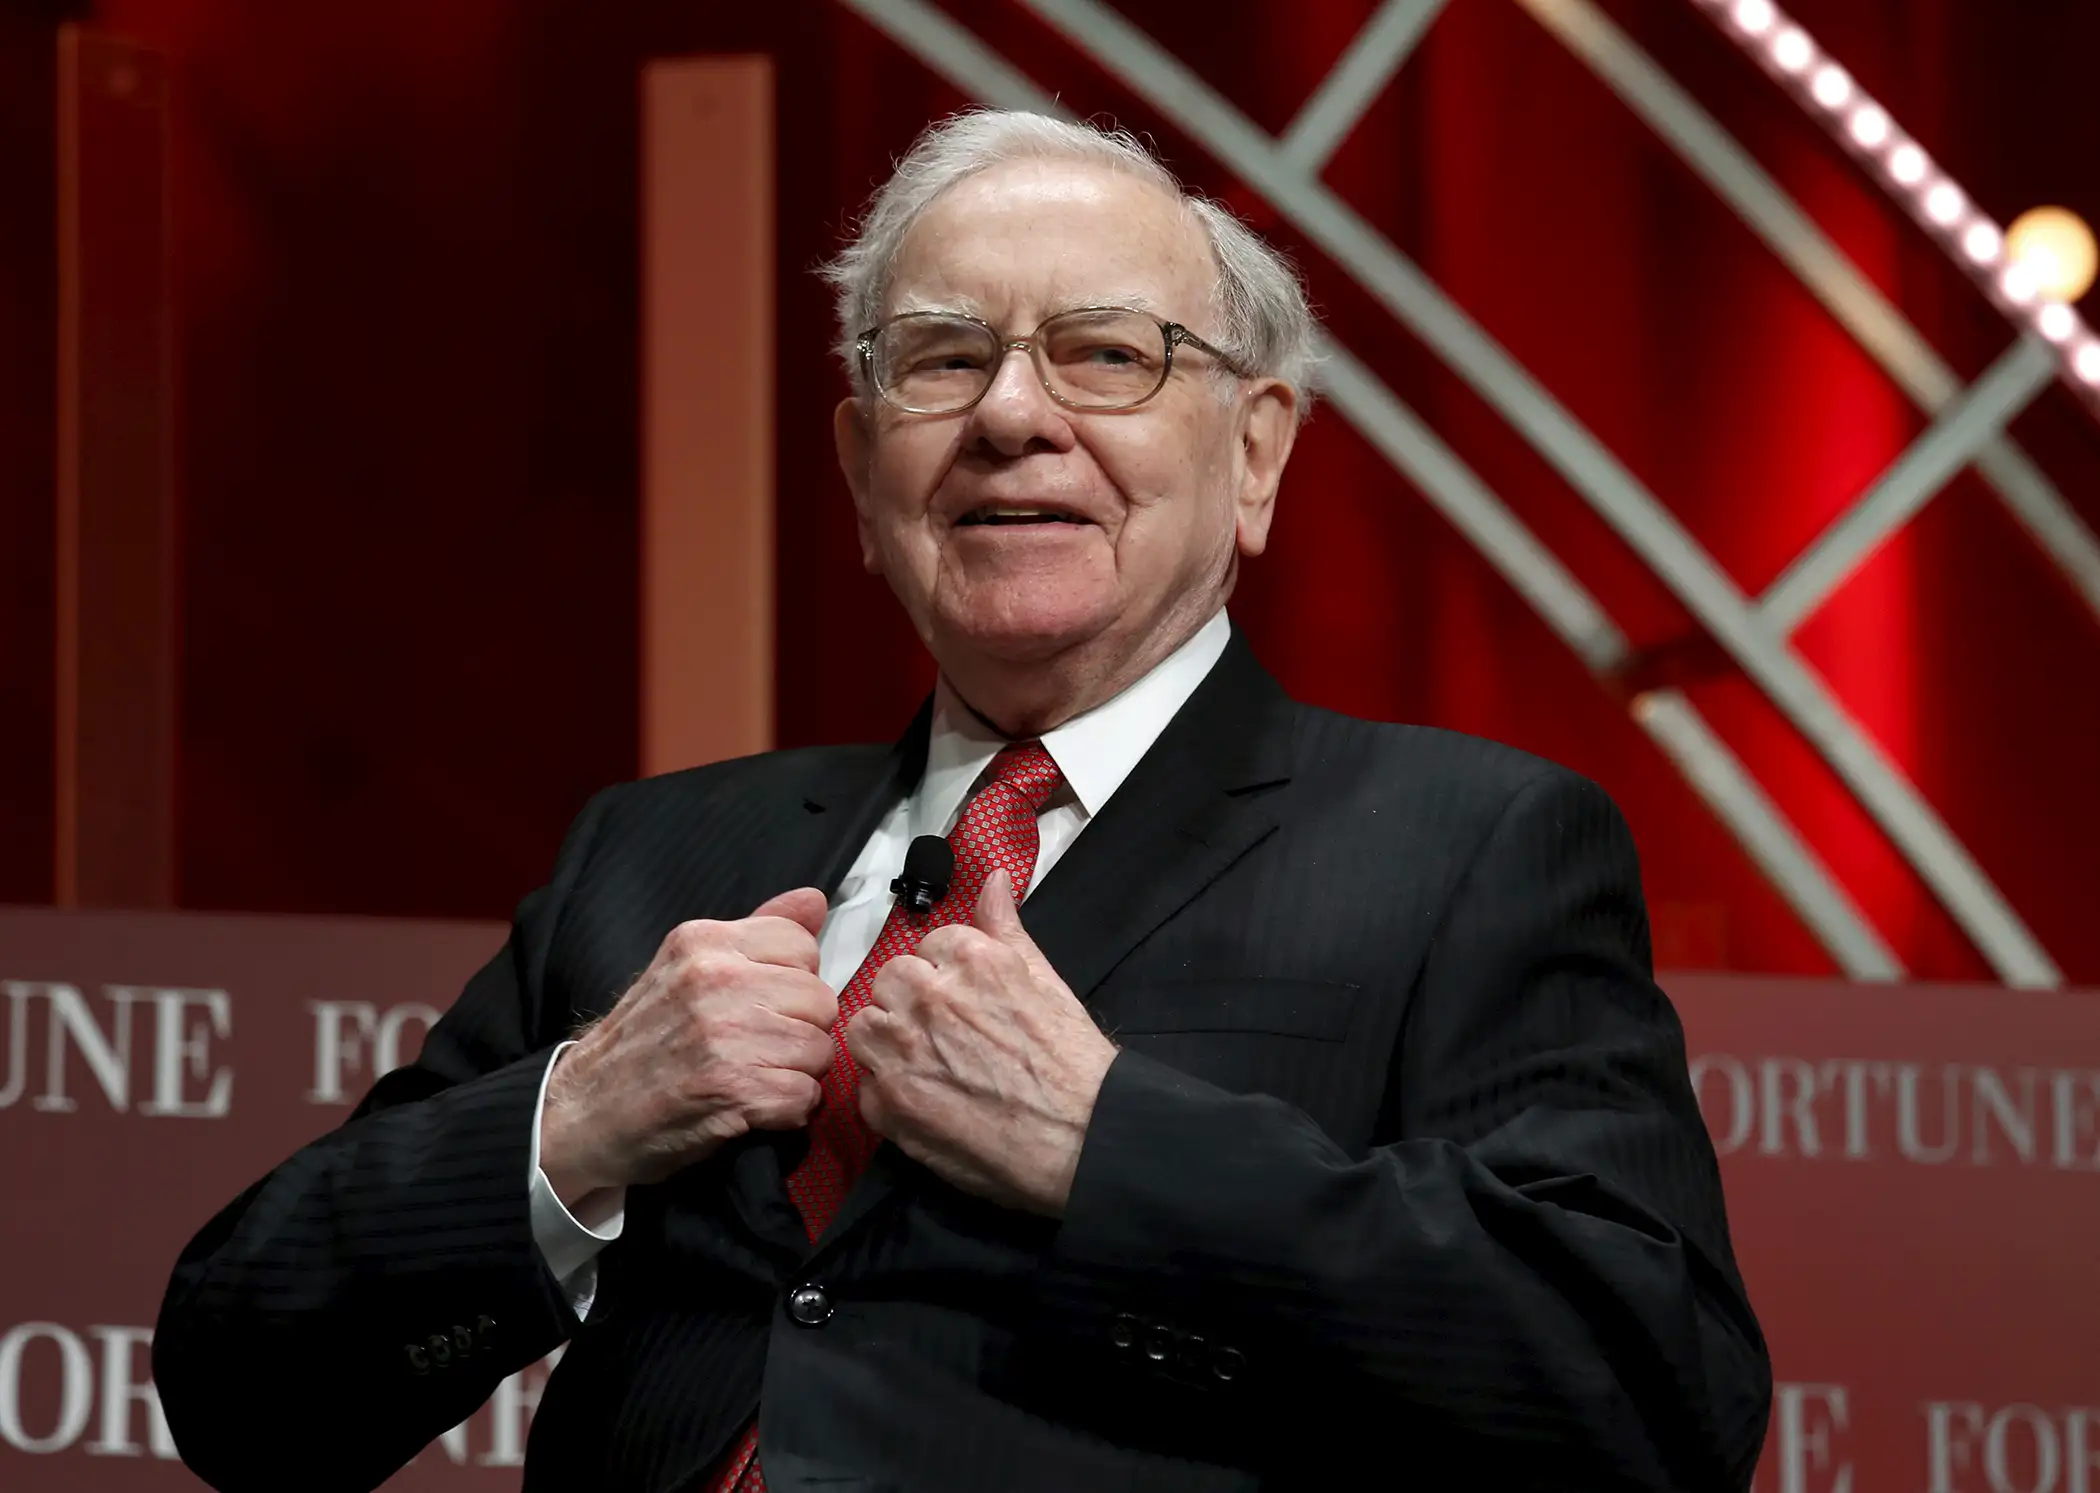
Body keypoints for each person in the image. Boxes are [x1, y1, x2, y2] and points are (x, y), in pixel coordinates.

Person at [154, 109, 1770, 1493]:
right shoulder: (660, 856)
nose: (1010, 413)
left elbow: (1652, 1392)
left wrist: (1111, 1143)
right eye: (943, 358)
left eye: (1106, 354)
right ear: (864, 471)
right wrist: (577, 1122)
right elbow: (243, 1383)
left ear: (1258, 453)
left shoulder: (1468, 847)